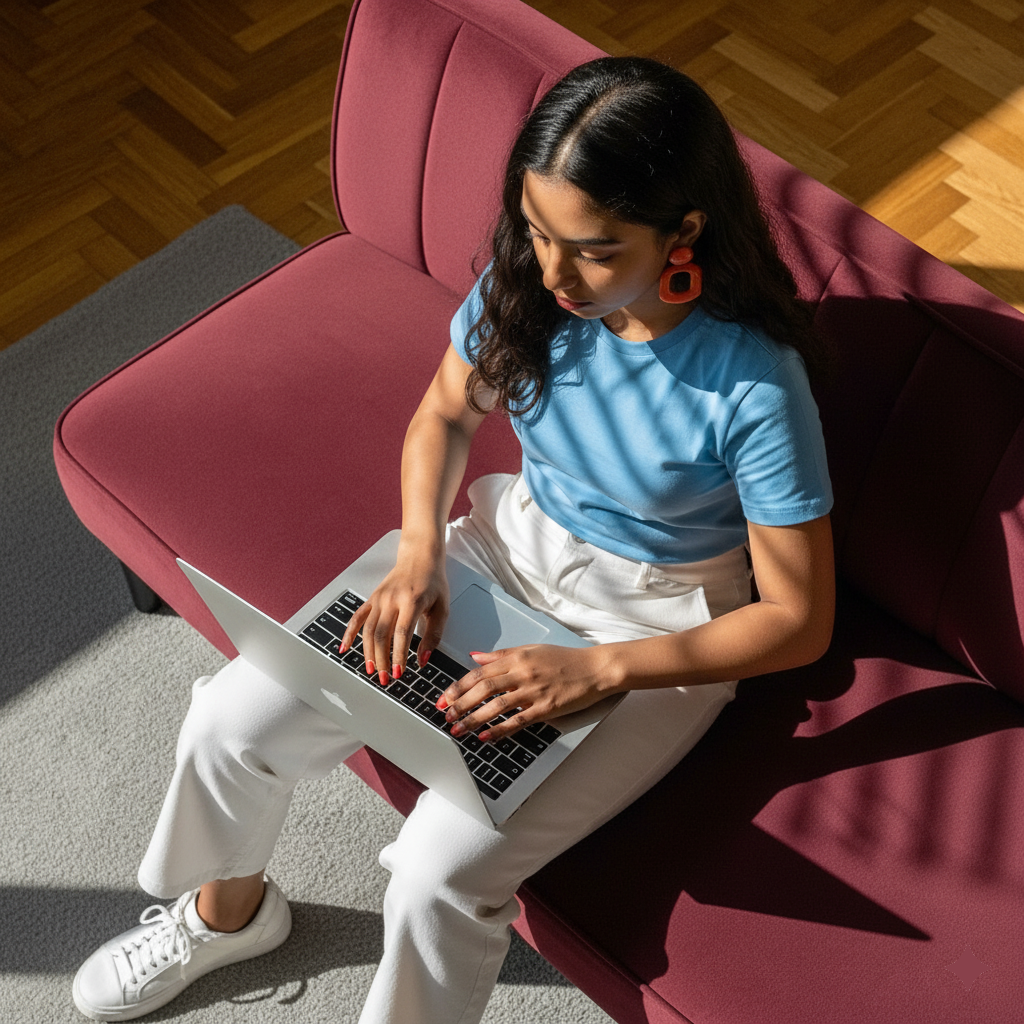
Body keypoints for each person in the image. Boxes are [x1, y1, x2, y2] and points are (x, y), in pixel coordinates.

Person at [72, 56, 835, 1023]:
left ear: (684, 228)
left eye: (594, 249)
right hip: (505, 543)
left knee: (437, 874)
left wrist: (599, 671)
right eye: (536, 231)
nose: (554, 274)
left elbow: (800, 619)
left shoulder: (754, 386)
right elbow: (442, 417)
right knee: (232, 718)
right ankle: (230, 917)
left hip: (654, 620)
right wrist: (419, 552)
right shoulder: (528, 290)